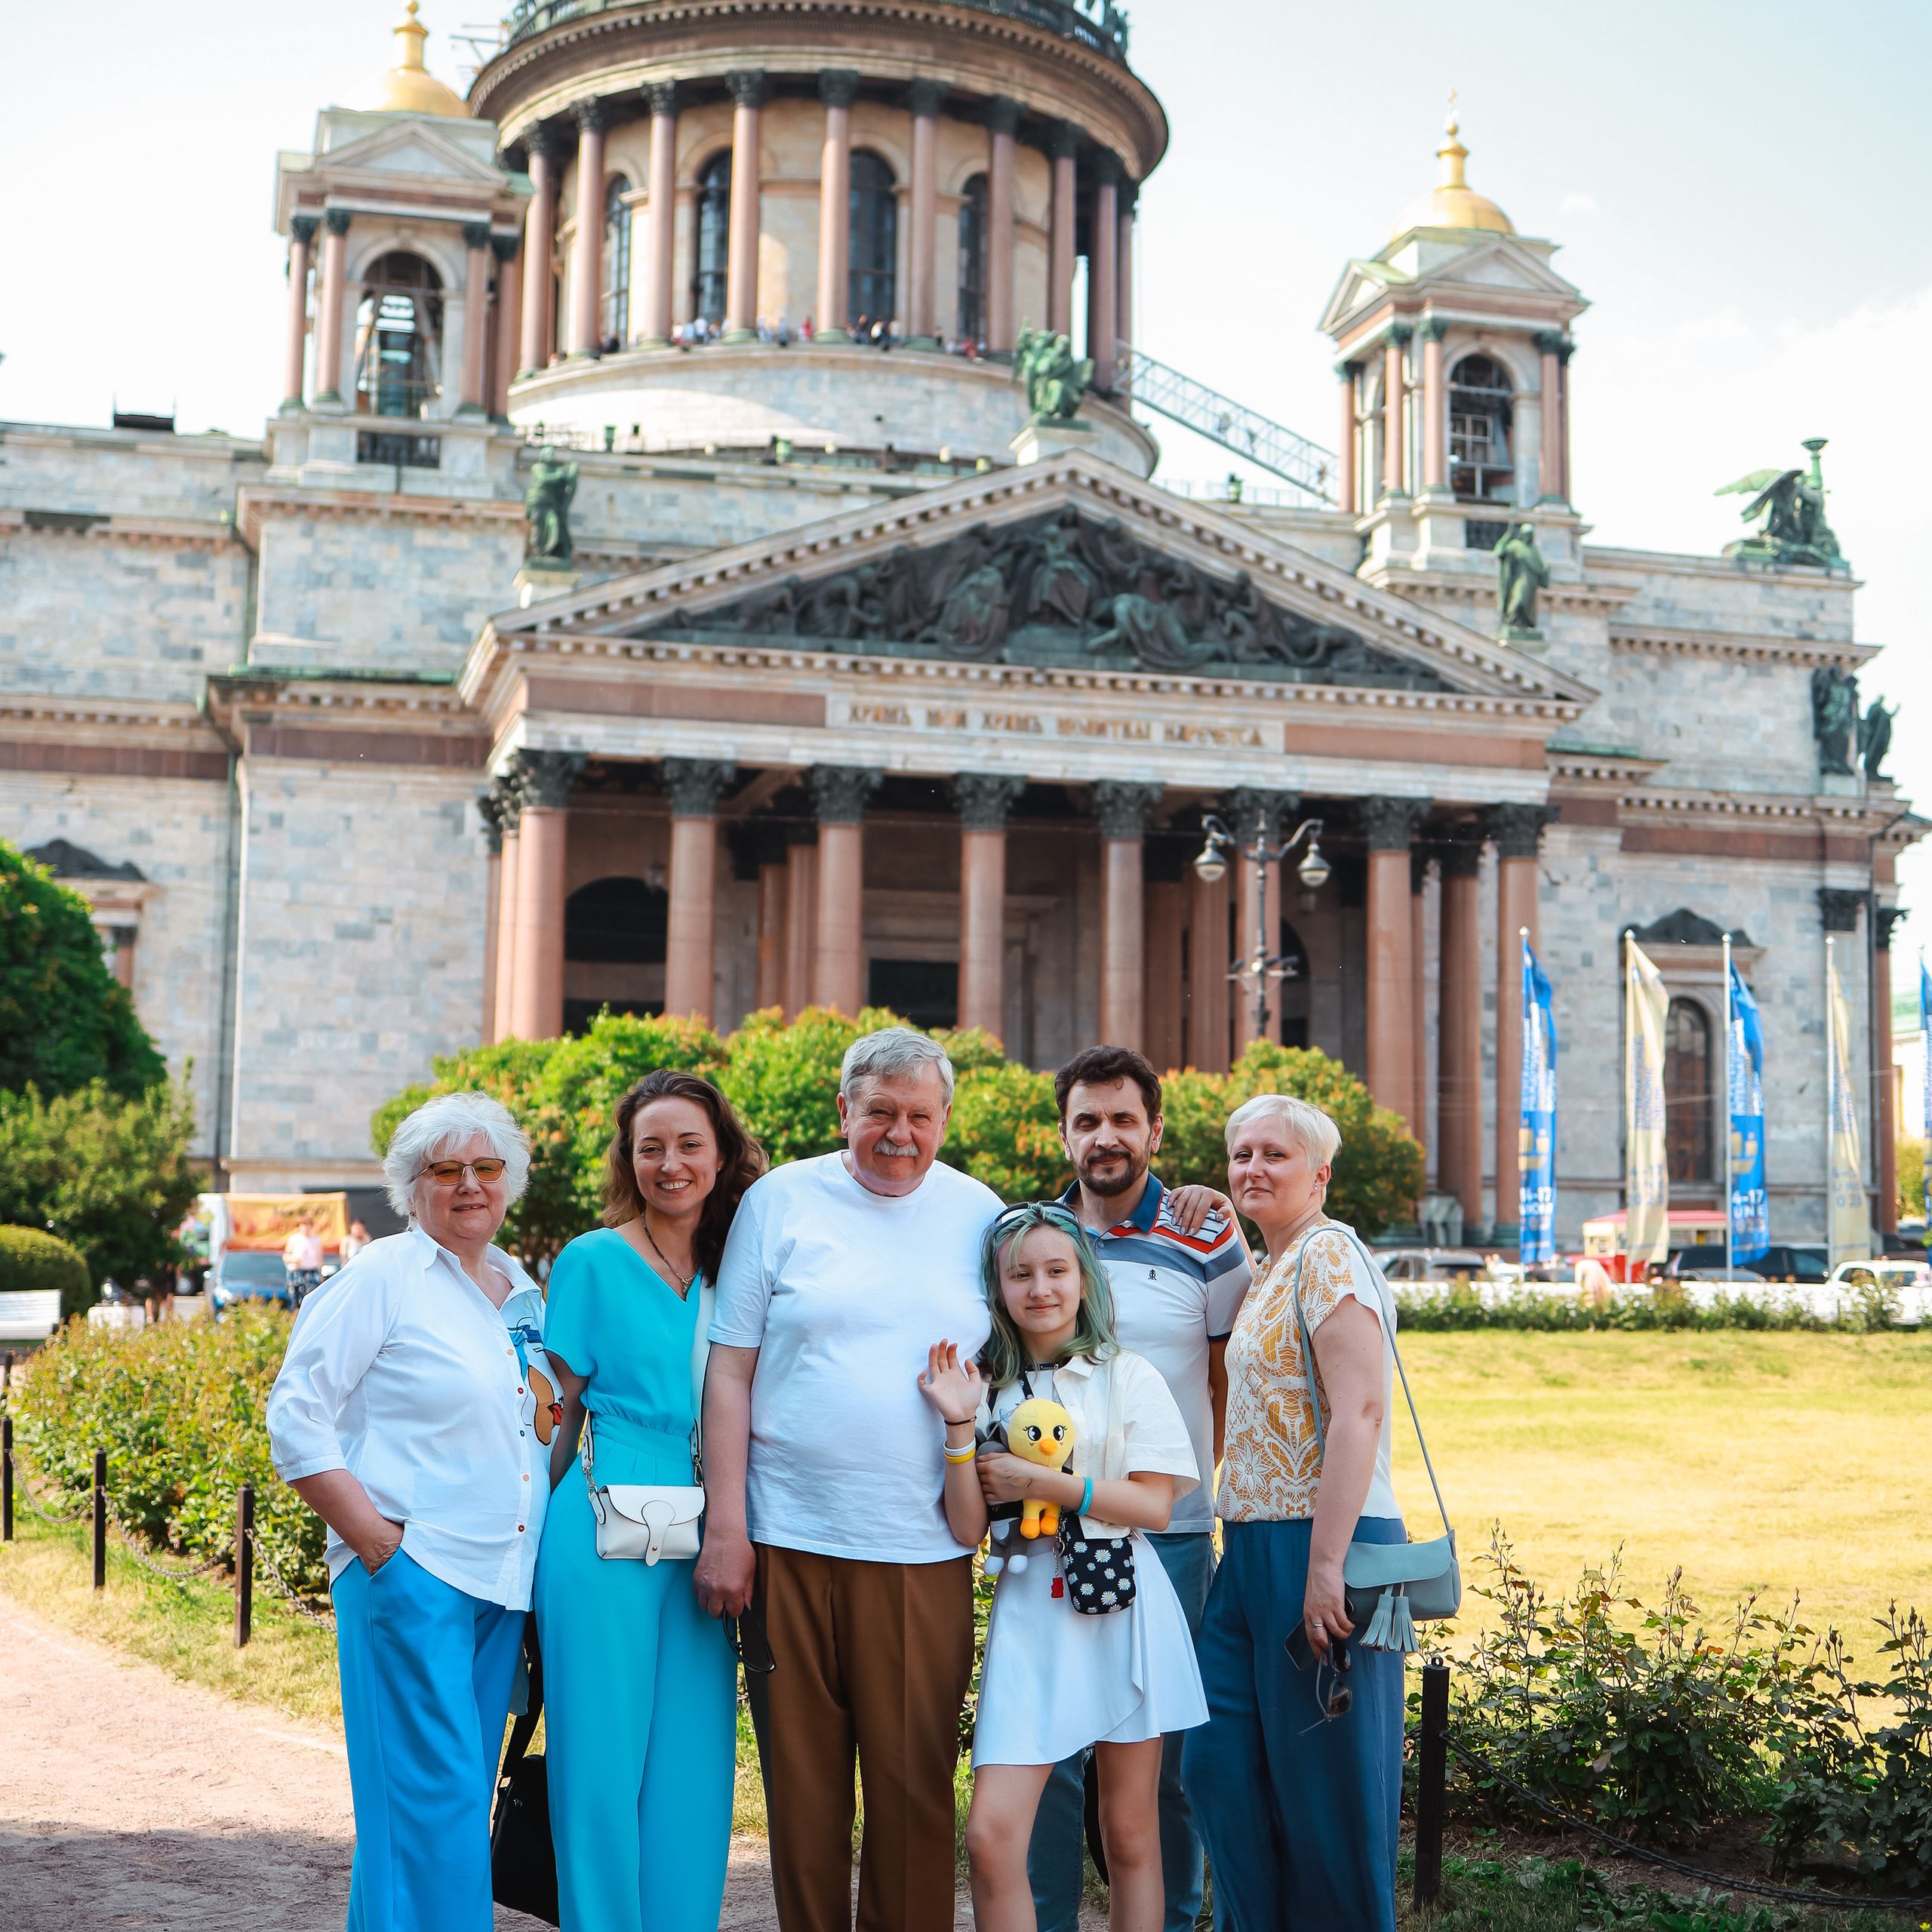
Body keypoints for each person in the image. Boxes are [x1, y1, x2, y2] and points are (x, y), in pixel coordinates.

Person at [695, 1026, 1004, 1932]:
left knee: (913, 1790)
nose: (899, 1132)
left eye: (919, 1114)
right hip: (786, 1535)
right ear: (845, 1111)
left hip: (918, 1542)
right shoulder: (781, 1200)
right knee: (803, 1791)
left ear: (945, 1117)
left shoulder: (978, 1212)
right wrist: (728, 1527)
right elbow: (729, 1369)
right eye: (880, 1111)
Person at [266, 1092, 550, 1932]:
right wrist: (375, 1541)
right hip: (414, 1571)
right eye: (445, 1170)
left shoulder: (517, 1284)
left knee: (449, 1801)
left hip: (499, 1579)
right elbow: (295, 1415)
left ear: (510, 1180)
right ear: (411, 1185)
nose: (469, 1184)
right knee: (425, 1804)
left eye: (486, 1167)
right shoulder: (383, 1274)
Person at [921, 1202, 1206, 1932]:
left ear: (1085, 1280)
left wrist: (1047, 1486)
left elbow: (1155, 1507)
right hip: (1029, 1612)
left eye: (1056, 1270)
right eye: (1020, 1274)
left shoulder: (1127, 1375)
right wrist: (959, 1426)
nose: (1039, 1288)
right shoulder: (984, 1388)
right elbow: (965, 1526)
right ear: (997, 1287)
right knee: (990, 1839)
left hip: (1121, 1601)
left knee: (1130, 1832)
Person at [537, 1069, 768, 1932]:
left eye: (688, 1145)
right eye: (650, 1147)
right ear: (628, 1160)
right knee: (598, 1761)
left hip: (714, 1523)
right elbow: (556, 1419)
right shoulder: (591, 1259)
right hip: (601, 1523)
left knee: (692, 1765)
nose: (669, 1163)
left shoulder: (742, 1261)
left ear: (722, 1155)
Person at [1030, 1047, 1251, 1932]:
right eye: (1088, 1120)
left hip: (1171, 1532)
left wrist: (1208, 1483)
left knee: (1168, 1755)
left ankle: (1168, 1917)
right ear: (1065, 1132)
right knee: (1050, 1756)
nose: (1106, 1137)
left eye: (1124, 1119)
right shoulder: (1034, 1235)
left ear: (1155, 1130)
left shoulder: (1207, 1234)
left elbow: (1229, 1374)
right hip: (1052, 1526)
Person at [1182, 1093, 1406, 1932]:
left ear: (1319, 1173)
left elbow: (1360, 1413)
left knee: (1329, 1794)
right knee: (1218, 1766)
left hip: (1327, 1545)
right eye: (1240, 1154)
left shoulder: (1328, 1255)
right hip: (1248, 1546)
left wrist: (1324, 1568)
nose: (1251, 1169)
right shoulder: (1273, 1264)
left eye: (1274, 1155)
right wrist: (1212, 1208)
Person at [285, 1217, 325, 1306]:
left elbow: (319, 1258)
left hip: (311, 1271)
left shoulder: (316, 1240)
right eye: (303, 1226)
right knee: (294, 1298)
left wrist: (321, 1273)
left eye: (308, 1226)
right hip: (297, 1271)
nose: (306, 1229)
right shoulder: (294, 1239)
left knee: (311, 1298)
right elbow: (286, 1256)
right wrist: (294, 1259)